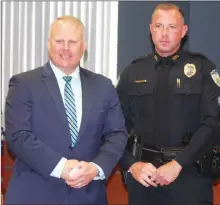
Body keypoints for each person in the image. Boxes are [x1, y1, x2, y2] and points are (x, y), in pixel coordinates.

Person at [4, 15, 128, 204]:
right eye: (59, 41)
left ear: (83, 46)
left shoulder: (103, 86)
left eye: (72, 42)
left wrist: (95, 168)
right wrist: (62, 167)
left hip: (88, 195)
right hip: (34, 195)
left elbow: (117, 135)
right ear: (49, 44)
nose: (65, 48)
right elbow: (18, 137)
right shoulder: (23, 84)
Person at [116, 3, 220, 205]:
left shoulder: (203, 68)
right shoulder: (133, 72)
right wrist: (131, 164)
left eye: (172, 27)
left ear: (183, 31)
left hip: (190, 175)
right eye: (159, 26)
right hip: (144, 177)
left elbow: (213, 124)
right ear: (151, 30)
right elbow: (114, 127)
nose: (164, 33)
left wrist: (177, 164)